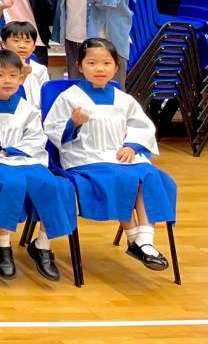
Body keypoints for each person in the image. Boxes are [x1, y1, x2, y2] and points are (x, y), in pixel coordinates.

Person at [44, 38, 177, 272]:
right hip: (85, 157)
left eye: (106, 63)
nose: (99, 68)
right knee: (122, 178)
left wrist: (132, 146)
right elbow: (53, 130)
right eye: (92, 63)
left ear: (116, 67)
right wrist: (73, 123)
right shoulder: (69, 97)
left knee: (152, 176)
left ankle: (145, 240)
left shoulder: (124, 99)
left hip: (119, 154)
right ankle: (135, 239)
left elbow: (142, 127)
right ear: (79, 66)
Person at [0, 50, 76, 281]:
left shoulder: (28, 108)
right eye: (0, 75)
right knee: (10, 182)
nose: (7, 80)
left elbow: (36, 139)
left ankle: (43, 245)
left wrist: (13, 150)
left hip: (25, 157)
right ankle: (2, 245)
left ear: (21, 79)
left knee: (51, 184)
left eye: (13, 75)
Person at [1, 22, 50, 109]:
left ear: (34, 46)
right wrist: (23, 74)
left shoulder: (40, 69)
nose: (22, 46)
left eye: (27, 41)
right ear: (4, 44)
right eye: (16, 41)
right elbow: (2, 97)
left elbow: (45, 99)